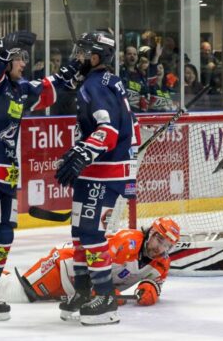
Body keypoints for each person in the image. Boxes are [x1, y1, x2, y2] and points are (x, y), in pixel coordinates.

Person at [0, 30, 82, 328]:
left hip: (5, 176)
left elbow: (50, 86)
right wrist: (6, 46)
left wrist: (76, 65)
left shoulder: (19, 89)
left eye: (23, 57)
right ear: (5, 59)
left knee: (5, 235)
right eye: (18, 57)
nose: (24, 62)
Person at [54, 31, 140, 326]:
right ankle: (82, 290)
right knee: (79, 233)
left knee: (91, 234)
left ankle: (105, 297)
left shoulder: (94, 85)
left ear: (95, 57)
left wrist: (80, 154)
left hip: (104, 171)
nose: (77, 57)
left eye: (82, 52)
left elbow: (109, 131)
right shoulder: (107, 81)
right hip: (97, 170)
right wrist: (81, 153)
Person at [0, 217, 181, 309]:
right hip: (65, 265)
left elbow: (154, 283)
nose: (159, 247)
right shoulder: (128, 242)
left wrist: (148, 290)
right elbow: (96, 261)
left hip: (77, 285)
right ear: (150, 233)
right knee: (21, 293)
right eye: (158, 238)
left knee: (23, 291)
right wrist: (101, 290)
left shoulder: (161, 264)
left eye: (166, 245)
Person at [120, 45, 149, 112]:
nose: (132, 56)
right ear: (124, 56)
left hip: (138, 114)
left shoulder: (141, 75)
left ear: (137, 57)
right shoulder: (118, 71)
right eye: (129, 54)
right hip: (123, 113)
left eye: (134, 54)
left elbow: (145, 93)